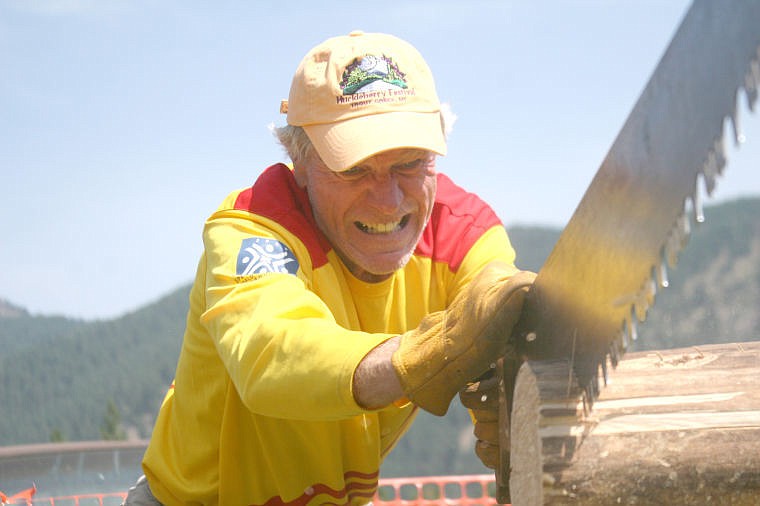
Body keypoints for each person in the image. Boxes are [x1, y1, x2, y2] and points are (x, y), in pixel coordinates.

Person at [124, 30, 535, 505]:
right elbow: (275, 352)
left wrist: (519, 396)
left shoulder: (465, 233)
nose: (388, 200)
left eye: (409, 162)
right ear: (298, 160)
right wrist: (416, 359)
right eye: (354, 169)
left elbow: (497, 305)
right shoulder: (255, 228)